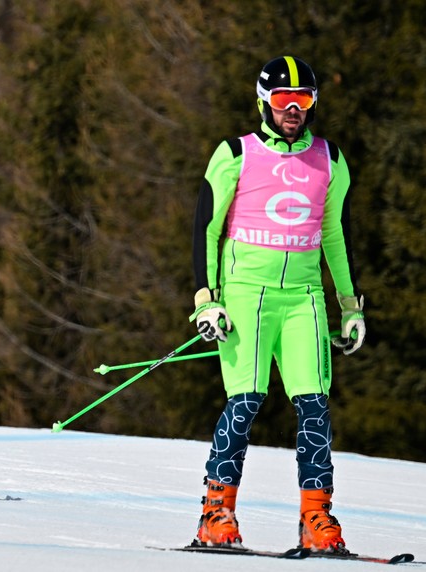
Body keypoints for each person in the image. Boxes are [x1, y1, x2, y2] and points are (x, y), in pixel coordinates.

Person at [189, 56, 365, 554]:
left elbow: (336, 235)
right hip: (246, 294)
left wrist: (349, 305)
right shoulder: (234, 153)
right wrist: (207, 300)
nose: (294, 109)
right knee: (244, 403)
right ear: (263, 99)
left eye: (304, 99)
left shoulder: (330, 159)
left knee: (314, 409)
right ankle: (215, 513)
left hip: (304, 299)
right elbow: (205, 226)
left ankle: (317, 519)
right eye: (285, 100)